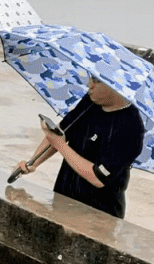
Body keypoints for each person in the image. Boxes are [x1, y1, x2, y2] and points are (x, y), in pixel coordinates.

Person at [13, 78, 144, 218]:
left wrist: (60, 145)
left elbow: (98, 177)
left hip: (98, 214)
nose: (89, 85)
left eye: (96, 81)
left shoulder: (131, 127)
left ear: (115, 85)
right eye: (90, 78)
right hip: (64, 199)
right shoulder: (90, 102)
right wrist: (33, 162)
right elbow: (61, 132)